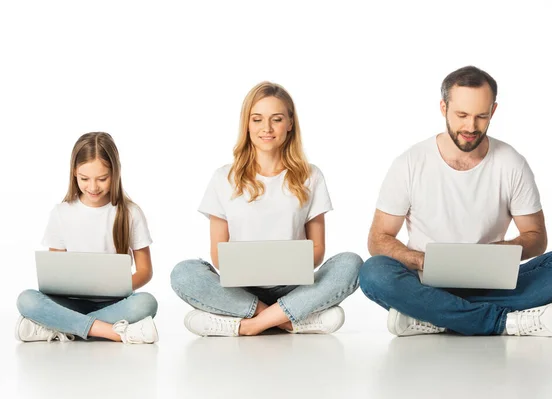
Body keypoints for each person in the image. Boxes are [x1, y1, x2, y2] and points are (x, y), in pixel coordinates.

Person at [359, 66, 552, 337]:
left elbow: (536, 237)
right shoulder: (410, 163)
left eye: (481, 116)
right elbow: (378, 238)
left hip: (493, 280)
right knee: (374, 273)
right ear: (443, 108)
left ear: (493, 111)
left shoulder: (511, 163)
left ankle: (435, 316)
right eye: (462, 115)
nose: (471, 127)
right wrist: (419, 260)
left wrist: (498, 253)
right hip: (426, 282)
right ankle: (505, 322)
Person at [171, 81, 363, 337]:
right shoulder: (223, 178)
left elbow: (317, 251)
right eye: (257, 119)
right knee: (183, 273)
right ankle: (285, 319)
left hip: (294, 288)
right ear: (247, 124)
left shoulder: (311, 176)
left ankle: (246, 325)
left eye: (277, 119)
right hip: (240, 290)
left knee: (351, 263)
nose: (267, 128)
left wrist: (288, 264)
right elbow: (218, 254)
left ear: (290, 123)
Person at [16, 132, 159, 344]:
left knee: (146, 303)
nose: (93, 187)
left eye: (102, 179)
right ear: (74, 173)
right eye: (84, 179)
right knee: (26, 299)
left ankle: (61, 327)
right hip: (70, 303)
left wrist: (117, 286)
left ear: (115, 173)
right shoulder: (61, 213)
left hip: (114, 303)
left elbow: (145, 271)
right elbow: (55, 274)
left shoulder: (130, 213)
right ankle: (112, 332)